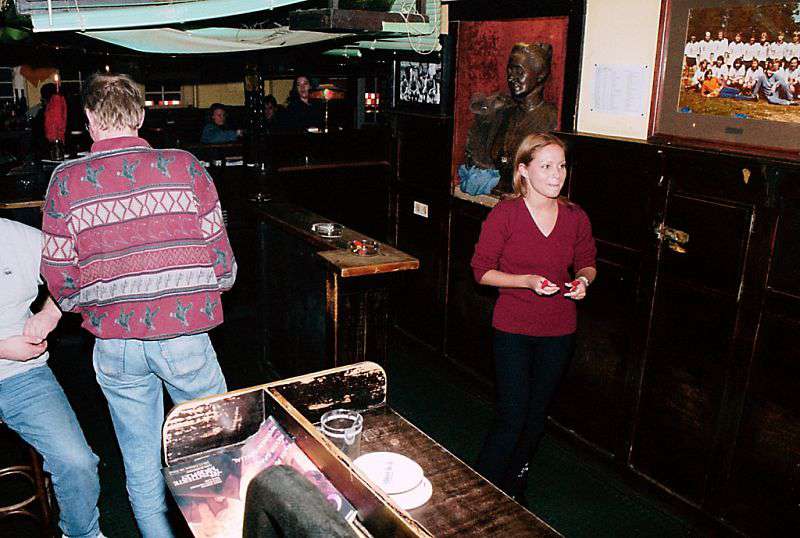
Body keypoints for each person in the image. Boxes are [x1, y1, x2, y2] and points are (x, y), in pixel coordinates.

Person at [41, 73, 237, 537]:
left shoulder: (66, 181)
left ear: (89, 118)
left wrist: (102, 300)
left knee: (140, 461)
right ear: (141, 115)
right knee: (214, 452)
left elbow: (60, 279)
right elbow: (223, 267)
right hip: (185, 337)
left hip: (116, 345)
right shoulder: (185, 166)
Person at [470, 133, 597, 501]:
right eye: (546, 166)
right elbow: (481, 271)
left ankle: (515, 483)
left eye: (562, 166)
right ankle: (478, 490)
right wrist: (525, 281)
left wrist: (582, 281)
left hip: (559, 330)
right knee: (512, 415)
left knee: (536, 415)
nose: (557, 174)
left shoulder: (575, 216)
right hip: (512, 327)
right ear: (523, 170)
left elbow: (588, 262)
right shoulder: (505, 214)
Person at [0, 217, 104, 538]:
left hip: (22, 376)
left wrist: (50, 312)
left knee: (77, 462)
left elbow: (81, 268)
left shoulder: (14, 236)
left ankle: (82, 534)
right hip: (13, 357)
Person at [464, 42, 558, 193]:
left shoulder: (551, 119)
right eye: (510, 71)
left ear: (540, 74)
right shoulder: (502, 113)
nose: (512, 78)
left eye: (519, 72)